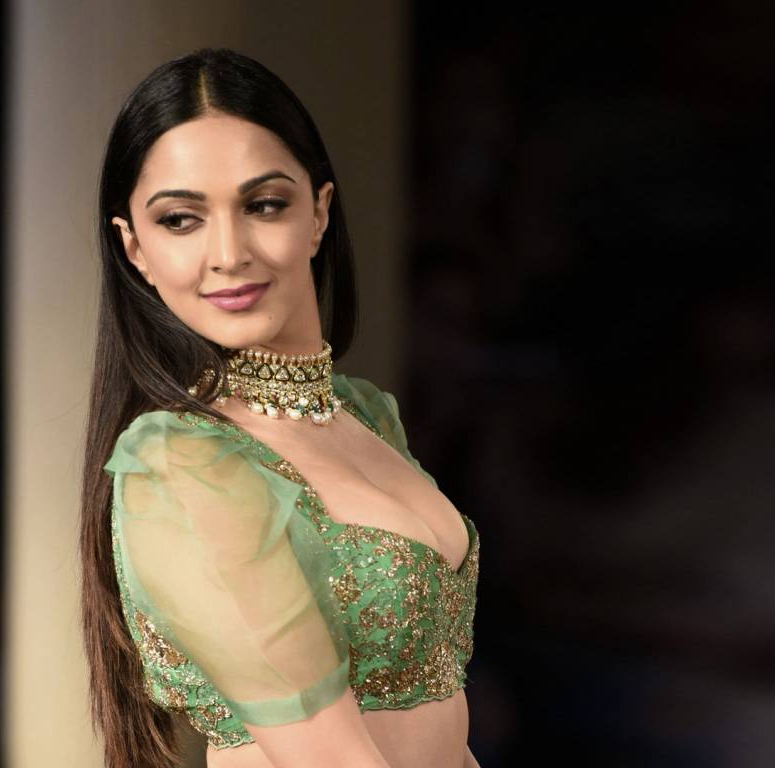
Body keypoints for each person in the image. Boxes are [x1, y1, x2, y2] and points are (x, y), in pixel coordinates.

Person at [79, 48, 481, 768]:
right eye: (181, 220)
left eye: (263, 205)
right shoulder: (184, 465)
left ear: (319, 213)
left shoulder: (362, 417)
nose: (229, 253)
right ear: (134, 248)